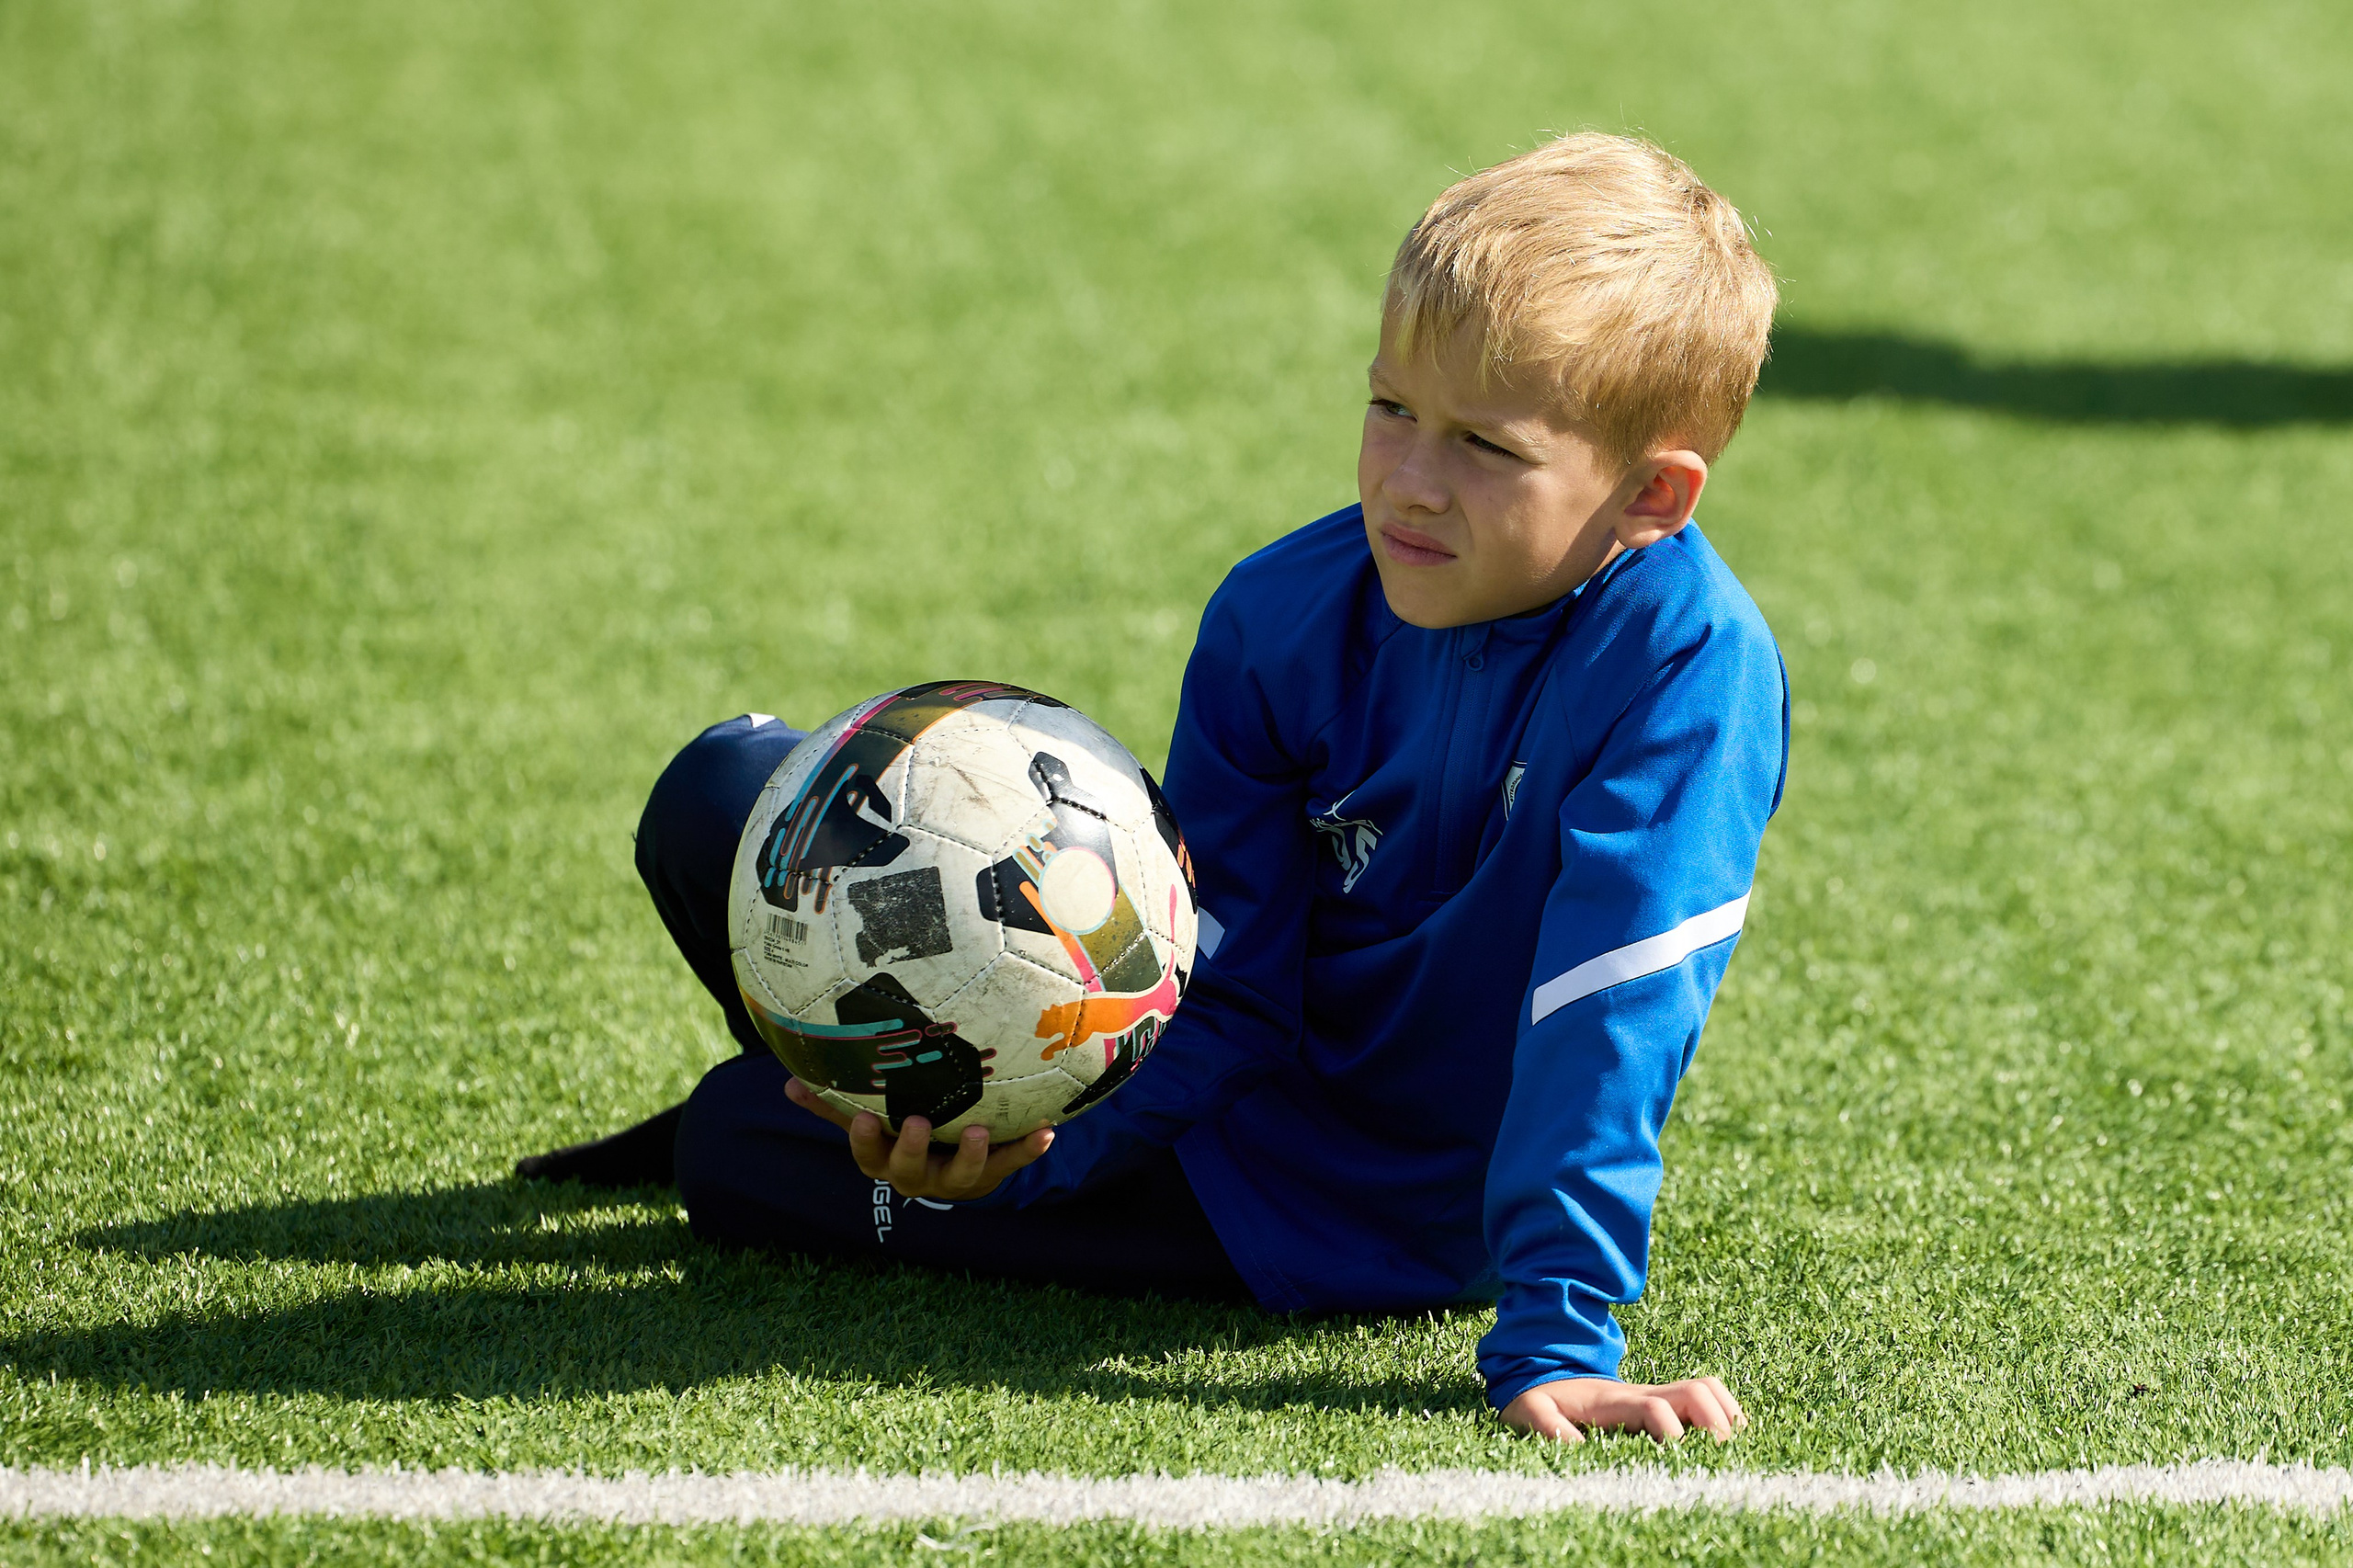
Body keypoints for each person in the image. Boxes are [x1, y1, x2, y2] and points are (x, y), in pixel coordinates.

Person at [519, 131, 1786, 1447]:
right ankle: (860, 1049)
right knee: (713, 797)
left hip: (1329, 1206)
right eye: (1391, 407)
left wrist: (1560, 1326)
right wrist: (1038, 1123)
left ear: (1652, 493)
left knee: (733, 1146)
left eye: (1484, 444)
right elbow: (1220, 986)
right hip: (1198, 1071)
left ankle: (820, 1068)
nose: (1409, 478)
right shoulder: (1279, 614)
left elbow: (1606, 1013)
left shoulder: (1687, 671)